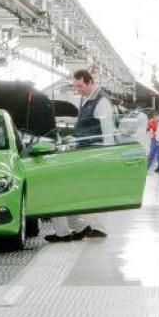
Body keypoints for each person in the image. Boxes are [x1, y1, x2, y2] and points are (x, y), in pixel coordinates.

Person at [45, 69, 112, 243]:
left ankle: (98, 228)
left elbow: (107, 131)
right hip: (85, 151)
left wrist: (108, 155)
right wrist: (63, 119)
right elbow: (82, 121)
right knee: (87, 190)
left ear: (90, 82)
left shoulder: (101, 101)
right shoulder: (87, 99)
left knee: (93, 191)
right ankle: (89, 228)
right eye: (75, 86)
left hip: (96, 151)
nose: (77, 89)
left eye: (80, 85)